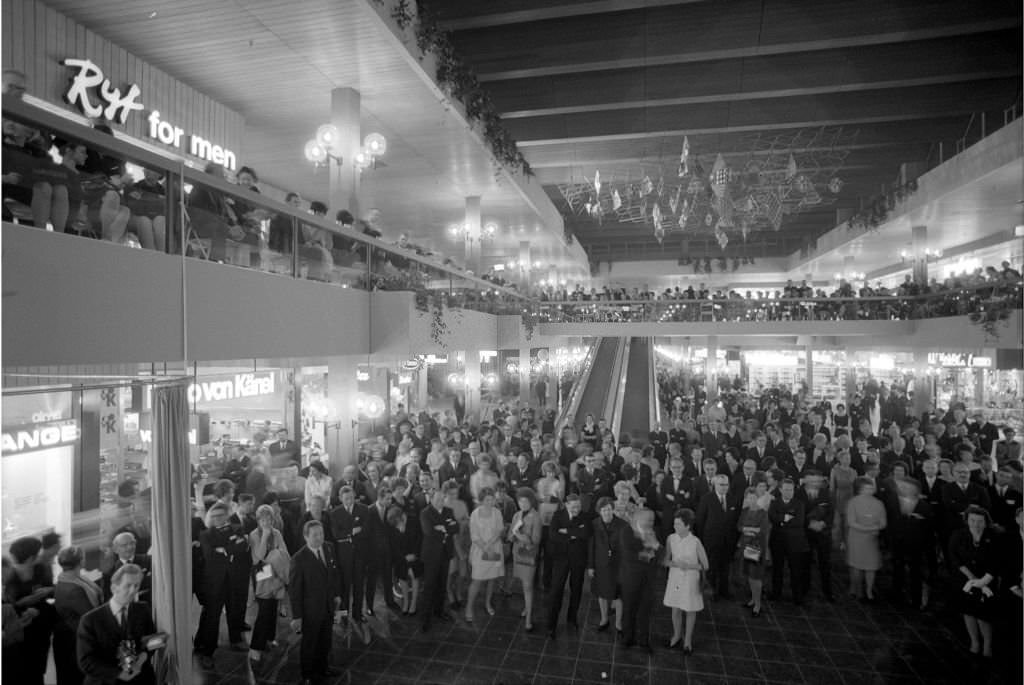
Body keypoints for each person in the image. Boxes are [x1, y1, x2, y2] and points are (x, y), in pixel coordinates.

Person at [76, 563, 156, 685]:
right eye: (128, 586)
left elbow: (152, 640)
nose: (133, 591)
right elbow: (86, 662)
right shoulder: (90, 620)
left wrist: (142, 659)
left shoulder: (143, 609)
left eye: (137, 586)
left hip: (140, 678)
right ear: (114, 588)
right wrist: (118, 674)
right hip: (106, 681)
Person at [193, 503, 249, 669]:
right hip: (214, 582)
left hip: (234, 579)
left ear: (226, 515)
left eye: (220, 515)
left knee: (235, 610)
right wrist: (230, 548)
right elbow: (209, 554)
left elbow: (243, 546)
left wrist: (223, 550)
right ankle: (208, 652)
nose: (217, 518)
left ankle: (236, 640)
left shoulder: (237, 528)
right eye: (214, 516)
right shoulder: (205, 534)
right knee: (212, 616)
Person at [289, 520, 343, 685]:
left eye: (321, 533)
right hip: (310, 610)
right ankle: (307, 674)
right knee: (310, 643)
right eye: (315, 535)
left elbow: (334, 573)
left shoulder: (329, 547)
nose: (319, 537)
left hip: (328, 605)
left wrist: (337, 595)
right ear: (306, 537)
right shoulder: (299, 559)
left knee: (326, 640)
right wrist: (297, 616)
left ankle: (323, 667)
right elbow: (295, 591)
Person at [3, 536, 56, 685]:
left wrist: (49, 590)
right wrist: (23, 604)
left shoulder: (41, 570)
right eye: (38, 553)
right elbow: (7, 609)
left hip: (41, 630)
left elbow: (51, 591)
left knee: (38, 671)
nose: (41, 555)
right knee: (21, 672)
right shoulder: (9, 577)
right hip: (20, 632)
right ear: (30, 557)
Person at [948, 505, 999, 658]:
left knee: (983, 616)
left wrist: (982, 582)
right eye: (972, 520)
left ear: (985, 522)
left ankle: (988, 645)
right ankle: (974, 642)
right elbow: (954, 558)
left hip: (987, 581)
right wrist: (972, 579)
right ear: (967, 521)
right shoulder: (958, 535)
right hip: (964, 580)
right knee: (968, 612)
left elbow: (996, 563)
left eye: (980, 521)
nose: (976, 524)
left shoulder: (993, 537)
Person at [53, 546, 103, 685]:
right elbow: (90, 616)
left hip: (73, 637)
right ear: (80, 561)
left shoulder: (70, 578)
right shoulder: (73, 589)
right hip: (74, 642)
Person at [248, 504, 290, 667]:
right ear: (258, 520)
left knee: (273, 607)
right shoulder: (254, 534)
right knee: (264, 610)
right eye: (263, 519)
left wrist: (275, 557)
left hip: (276, 572)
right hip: (262, 574)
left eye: (269, 518)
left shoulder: (277, 533)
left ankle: (269, 637)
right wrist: (265, 537)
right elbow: (257, 558)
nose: (267, 522)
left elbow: (283, 551)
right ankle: (255, 647)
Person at [545, 494, 591, 639]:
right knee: (556, 590)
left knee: (576, 589)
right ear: (566, 505)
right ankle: (551, 625)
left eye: (578, 506)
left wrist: (567, 532)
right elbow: (553, 535)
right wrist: (573, 535)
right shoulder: (558, 515)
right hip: (561, 559)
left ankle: (572, 619)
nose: (577, 509)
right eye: (573, 507)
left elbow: (585, 533)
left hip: (578, 559)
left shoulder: (585, 516)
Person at [663, 508, 708, 653]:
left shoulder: (695, 542)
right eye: (674, 524)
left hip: (690, 579)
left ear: (688, 526)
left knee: (689, 609)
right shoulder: (671, 538)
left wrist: (689, 566)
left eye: (678, 524)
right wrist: (675, 564)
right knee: (675, 609)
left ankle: (688, 640)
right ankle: (676, 635)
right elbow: (665, 561)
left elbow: (705, 565)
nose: (674, 527)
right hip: (675, 578)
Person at [329, 485, 370, 641]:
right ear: (341, 499)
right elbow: (336, 534)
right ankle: (345, 615)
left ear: (354, 496)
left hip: (360, 554)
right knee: (345, 586)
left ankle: (358, 614)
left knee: (359, 585)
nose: (349, 500)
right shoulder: (335, 513)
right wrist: (351, 532)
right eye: (346, 498)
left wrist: (351, 533)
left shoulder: (364, 509)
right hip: (344, 556)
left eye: (351, 497)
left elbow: (367, 529)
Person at [618, 508, 661, 652]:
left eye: (652, 520)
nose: (651, 522)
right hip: (631, 578)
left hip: (648, 579)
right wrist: (649, 553)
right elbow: (630, 555)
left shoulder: (654, 532)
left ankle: (643, 641)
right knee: (629, 608)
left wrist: (654, 548)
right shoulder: (626, 532)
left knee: (645, 610)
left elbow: (660, 552)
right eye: (648, 519)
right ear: (638, 519)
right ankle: (627, 639)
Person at [419, 487, 459, 632]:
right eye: (438, 499)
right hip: (431, 555)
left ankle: (439, 611)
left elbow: (457, 528)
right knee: (429, 586)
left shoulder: (448, 511)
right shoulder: (425, 513)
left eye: (442, 499)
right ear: (431, 499)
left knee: (442, 584)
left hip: (445, 554)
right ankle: (425, 618)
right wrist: (446, 528)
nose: (441, 501)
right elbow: (428, 531)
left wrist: (443, 528)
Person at [889, 478, 933, 610]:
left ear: (916, 490)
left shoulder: (924, 506)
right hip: (897, 542)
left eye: (907, 487)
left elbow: (929, 528)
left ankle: (916, 599)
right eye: (901, 486)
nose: (903, 489)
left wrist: (927, 547)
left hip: (916, 544)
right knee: (897, 570)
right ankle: (896, 597)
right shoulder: (892, 502)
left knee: (916, 572)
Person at [694, 474, 737, 600]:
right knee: (711, 567)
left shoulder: (732, 498)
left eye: (726, 484)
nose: (724, 487)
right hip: (711, 540)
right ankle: (711, 591)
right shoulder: (707, 498)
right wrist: (701, 540)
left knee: (725, 567)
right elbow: (700, 520)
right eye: (721, 484)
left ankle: (724, 590)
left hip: (727, 540)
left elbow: (734, 520)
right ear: (714, 485)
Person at [465, 487, 505, 622]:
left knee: (491, 579)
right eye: (487, 499)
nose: (490, 502)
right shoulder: (475, 514)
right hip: (479, 550)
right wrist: (484, 547)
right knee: (477, 580)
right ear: (481, 500)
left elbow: (499, 530)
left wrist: (490, 545)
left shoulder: (497, 513)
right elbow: (474, 535)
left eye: (492, 499)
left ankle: (488, 603)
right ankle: (469, 607)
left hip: (494, 549)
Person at [846, 476, 887, 601]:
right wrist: (871, 528)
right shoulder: (852, 502)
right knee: (856, 565)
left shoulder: (879, 503)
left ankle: (869, 590)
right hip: (856, 538)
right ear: (860, 489)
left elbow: (883, 522)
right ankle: (855, 588)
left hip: (872, 540)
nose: (869, 490)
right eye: (866, 488)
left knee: (871, 566)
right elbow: (851, 522)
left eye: (871, 487)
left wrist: (876, 528)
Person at [768, 479, 808, 605]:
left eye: (791, 490)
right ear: (780, 490)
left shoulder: (799, 504)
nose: (789, 492)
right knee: (777, 569)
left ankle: (797, 596)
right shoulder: (774, 503)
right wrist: (785, 518)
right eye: (786, 489)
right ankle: (776, 594)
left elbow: (799, 522)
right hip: (777, 541)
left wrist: (781, 521)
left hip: (794, 542)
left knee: (796, 570)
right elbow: (772, 517)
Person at [588, 496, 625, 632]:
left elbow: (625, 548)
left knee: (619, 595)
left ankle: (619, 623)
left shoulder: (622, 525)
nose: (606, 513)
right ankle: (604, 619)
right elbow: (591, 547)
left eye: (609, 509)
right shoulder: (594, 524)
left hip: (617, 565)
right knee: (601, 593)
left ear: (613, 509)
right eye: (603, 510)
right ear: (599, 511)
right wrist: (591, 566)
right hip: (600, 565)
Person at [509, 487, 543, 632]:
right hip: (517, 553)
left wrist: (519, 534)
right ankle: (526, 607)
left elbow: (535, 541)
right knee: (523, 584)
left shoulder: (536, 517)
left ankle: (529, 618)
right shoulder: (517, 515)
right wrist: (513, 534)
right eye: (520, 501)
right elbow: (510, 537)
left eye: (525, 501)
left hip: (529, 555)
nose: (522, 503)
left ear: (531, 501)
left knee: (528, 586)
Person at [799, 470, 834, 601]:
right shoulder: (798, 493)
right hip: (805, 533)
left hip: (822, 534)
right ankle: (804, 589)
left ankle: (827, 591)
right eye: (812, 481)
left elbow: (831, 511)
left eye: (817, 481)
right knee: (804, 563)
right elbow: (796, 512)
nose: (815, 483)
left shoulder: (826, 493)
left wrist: (823, 523)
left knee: (825, 563)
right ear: (805, 480)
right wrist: (809, 523)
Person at [736, 487, 771, 617]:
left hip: (756, 547)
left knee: (755, 576)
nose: (751, 500)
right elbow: (739, 526)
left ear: (758, 498)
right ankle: (752, 600)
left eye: (754, 497)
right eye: (749, 497)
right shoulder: (744, 511)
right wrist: (748, 529)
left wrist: (748, 530)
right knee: (749, 575)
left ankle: (758, 604)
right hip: (745, 546)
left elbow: (762, 530)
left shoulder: (763, 513)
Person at [387, 506, 421, 616]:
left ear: (402, 516)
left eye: (398, 523)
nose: (397, 526)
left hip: (414, 555)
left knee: (414, 575)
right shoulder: (393, 524)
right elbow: (393, 544)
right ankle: (406, 602)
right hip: (401, 557)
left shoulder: (414, 520)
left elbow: (420, 539)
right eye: (395, 525)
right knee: (402, 577)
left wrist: (415, 555)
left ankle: (414, 603)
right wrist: (403, 557)